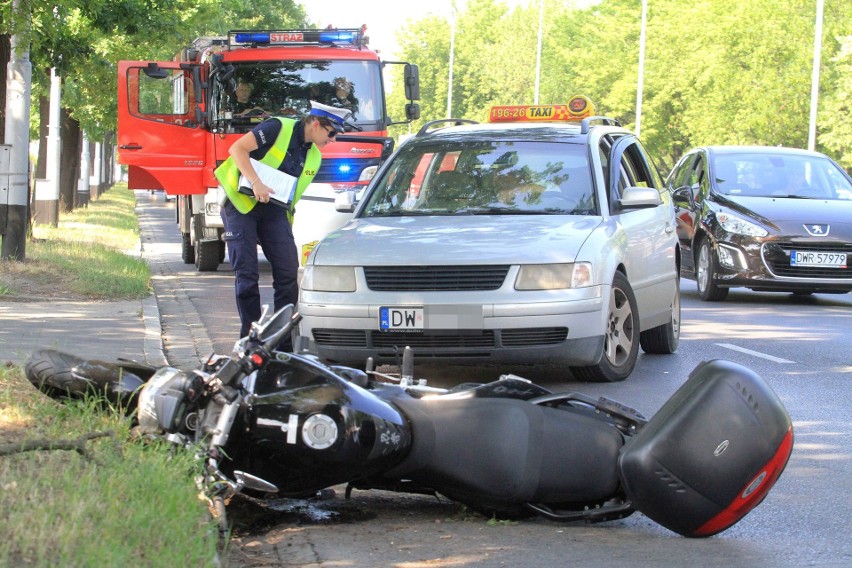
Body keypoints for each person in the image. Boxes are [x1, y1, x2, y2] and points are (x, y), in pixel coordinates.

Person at [214, 101, 351, 349]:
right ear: (317, 124)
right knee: (247, 274)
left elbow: (292, 196)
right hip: (241, 204)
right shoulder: (278, 127)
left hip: (273, 210)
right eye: (331, 133)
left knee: (288, 271)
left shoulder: (314, 156)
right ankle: (250, 338)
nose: (332, 140)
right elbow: (237, 149)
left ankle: (282, 341)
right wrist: (256, 182)